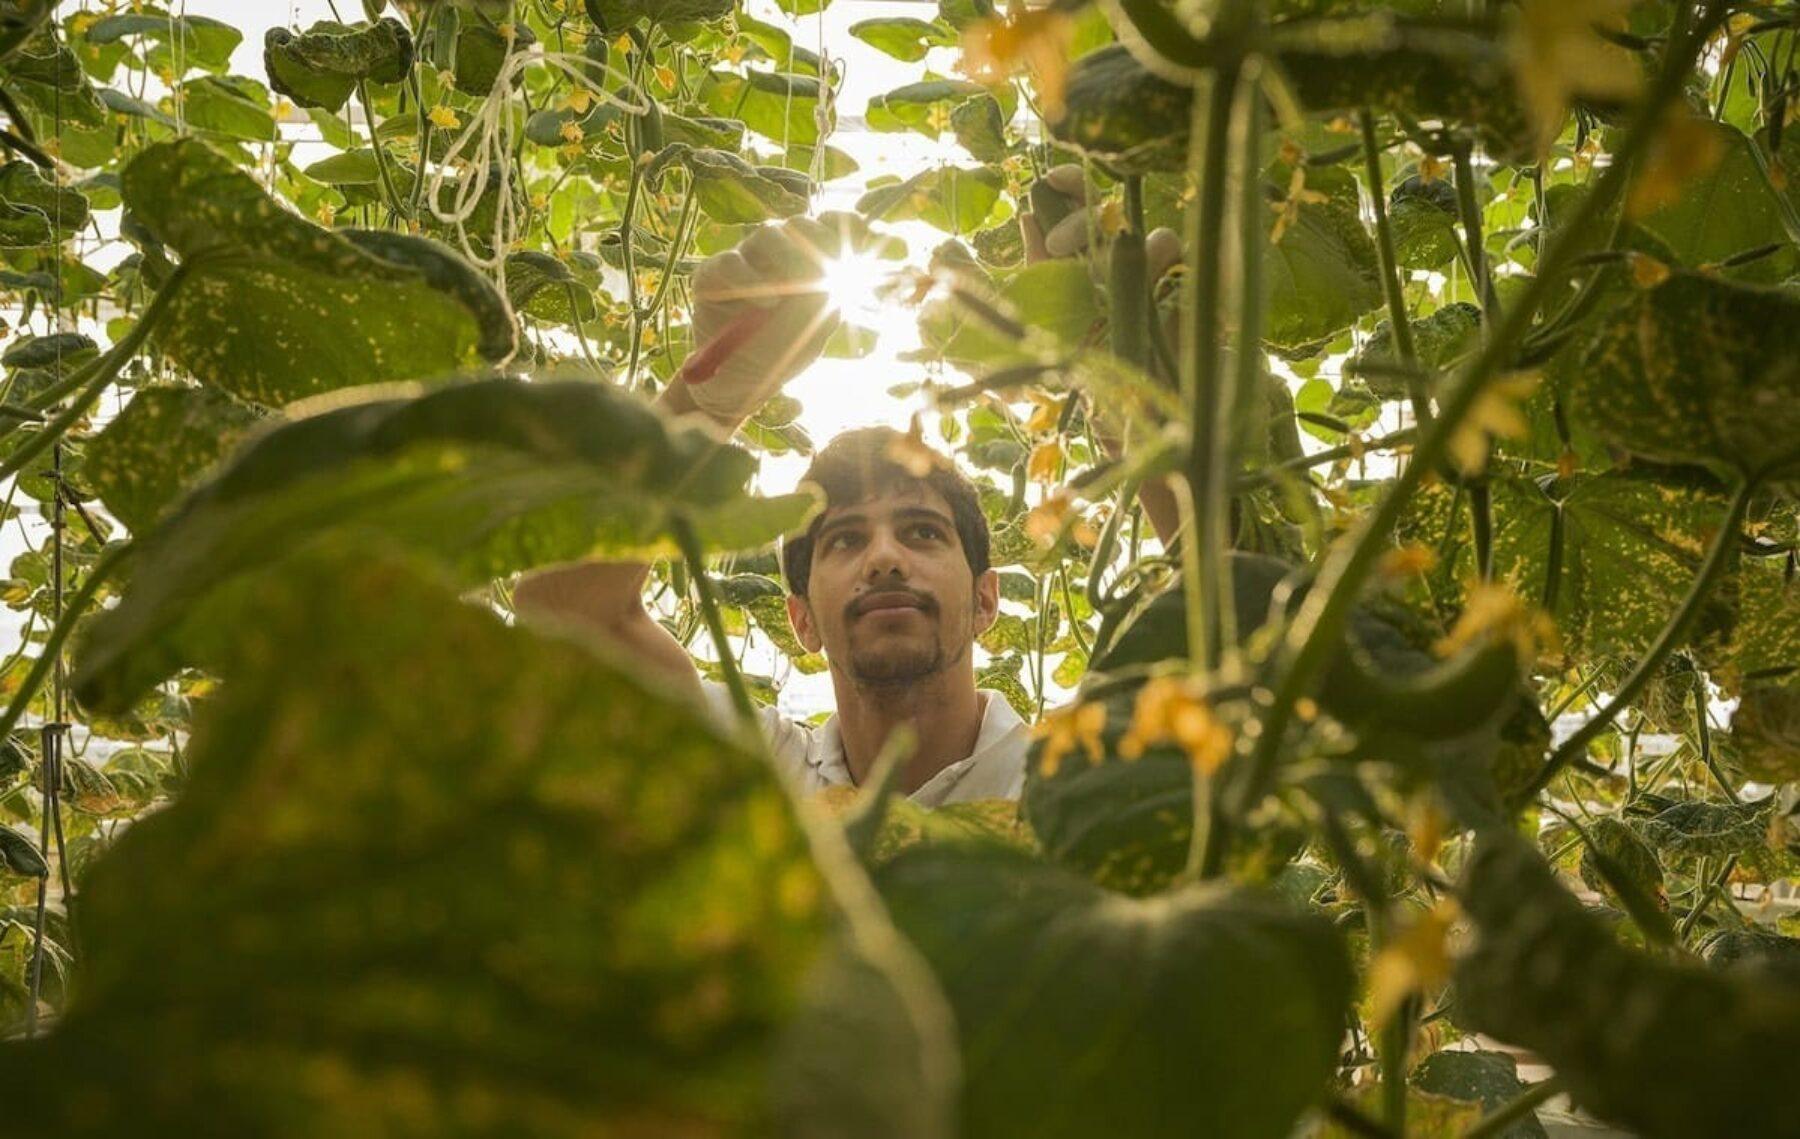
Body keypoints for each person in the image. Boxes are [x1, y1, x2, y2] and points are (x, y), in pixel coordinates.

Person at [515, 204, 1179, 807]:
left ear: (985, 600)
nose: (885, 557)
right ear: (801, 620)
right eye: (844, 539)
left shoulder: (1074, 784)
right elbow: (565, 611)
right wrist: (703, 408)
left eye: (922, 532)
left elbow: (1259, 669)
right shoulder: (763, 772)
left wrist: (1142, 421)